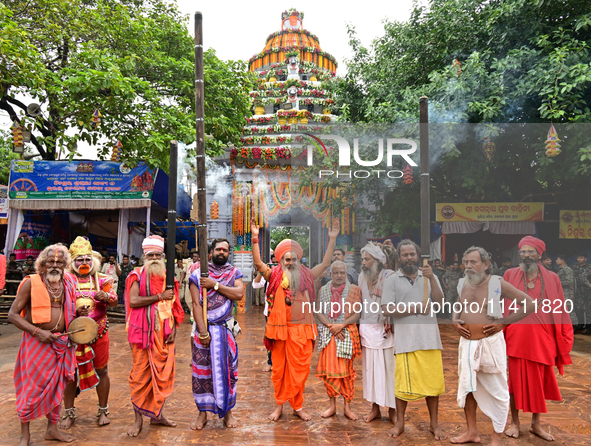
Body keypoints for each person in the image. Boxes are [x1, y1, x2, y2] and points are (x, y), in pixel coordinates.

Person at [251, 217, 340, 421]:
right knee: (279, 371)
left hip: (302, 331)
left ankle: (298, 406)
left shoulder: (307, 275)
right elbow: (257, 263)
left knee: (300, 371)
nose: (290, 262)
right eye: (287, 259)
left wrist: (332, 239)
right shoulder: (273, 275)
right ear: (281, 261)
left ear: (299, 261)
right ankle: (279, 406)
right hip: (280, 331)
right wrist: (255, 239)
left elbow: (326, 263)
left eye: (293, 259)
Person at [451, 246, 533, 446]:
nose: (469, 266)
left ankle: (497, 437)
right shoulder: (463, 282)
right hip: (467, 344)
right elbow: (458, 305)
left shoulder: (497, 283)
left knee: (497, 390)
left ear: (486, 264)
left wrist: (503, 322)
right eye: (467, 262)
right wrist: (455, 319)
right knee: (468, 388)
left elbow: (529, 303)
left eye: (474, 262)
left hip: (490, 344)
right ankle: (472, 432)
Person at [503, 236, 574, 441]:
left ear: (539, 254)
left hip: (543, 337)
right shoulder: (509, 274)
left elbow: (560, 307)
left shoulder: (552, 278)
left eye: (530, 251)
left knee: (541, 382)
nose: (526, 255)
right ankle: (514, 423)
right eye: (523, 252)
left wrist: (563, 333)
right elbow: (499, 302)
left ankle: (536, 424)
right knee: (514, 383)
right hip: (516, 335)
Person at [8, 244, 77, 446]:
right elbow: (12, 315)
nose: (55, 265)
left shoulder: (68, 283)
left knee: (56, 386)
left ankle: (52, 429)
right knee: (31, 387)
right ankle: (25, 435)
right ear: (42, 264)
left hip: (61, 343)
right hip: (36, 344)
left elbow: (70, 308)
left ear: (65, 265)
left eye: (59, 262)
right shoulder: (31, 283)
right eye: (50, 261)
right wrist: (38, 332)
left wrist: (79, 315)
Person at [381, 239, 446, 440]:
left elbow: (441, 302)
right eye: (405, 255)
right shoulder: (392, 280)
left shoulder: (428, 276)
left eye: (412, 254)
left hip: (429, 339)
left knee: (432, 383)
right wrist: (415, 308)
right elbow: (386, 309)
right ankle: (400, 422)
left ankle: (434, 424)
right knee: (402, 385)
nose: (409, 258)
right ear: (399, 258)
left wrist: (433, 279)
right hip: (406, 339)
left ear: (418, 256)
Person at [125, 235, 184, 437]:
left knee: (161, 376)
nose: (155, 258)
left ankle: (157, 416)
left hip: (164, 332)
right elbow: (133, 301)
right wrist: (159, 297)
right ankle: (137, 420)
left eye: (158, 254)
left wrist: (174, 328)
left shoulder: (168, 277)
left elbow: (174, 305)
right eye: (151, 255)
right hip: (142, 332)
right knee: (140, 376)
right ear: (144, 256)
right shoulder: (136, 275)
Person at [60, 237, 118, 428]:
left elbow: (115, 300)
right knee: (70, 374)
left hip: (99, 334)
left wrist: (107, 296)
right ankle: (68, 413)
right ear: (72, 262)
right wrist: (74, 312)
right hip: (73, 336)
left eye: (87, 259)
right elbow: (57, 305)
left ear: (92, 260)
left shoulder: (102, 279)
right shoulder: (66, 280)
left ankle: (103, 410)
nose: (84, 263)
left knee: (102, 370)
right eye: (79, 260)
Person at [189, 238, 244, 430]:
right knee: (201, 373)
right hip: (204, 330)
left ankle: (228, 414)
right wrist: (203, 331)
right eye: (218, 249)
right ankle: (202, 414)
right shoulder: (197, 275)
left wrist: (215, 285)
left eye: (226, 250)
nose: (222, 252)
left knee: (228, 371)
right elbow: (196, 304)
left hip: (225, 331)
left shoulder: (233, 273)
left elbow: (238, 294)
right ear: (211, 252)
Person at [315, 261, 362, 420]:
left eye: (342, 272)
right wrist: (332, 327)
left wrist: (341, 326)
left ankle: (347, 407)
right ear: (330, 273)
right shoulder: (323, 290)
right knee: (330, 373)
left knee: (347, 373)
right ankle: (332, 406)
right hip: (330, 335)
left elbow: (357, 314)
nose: (339, 275)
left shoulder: (354, 290)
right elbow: (319, 312)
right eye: (336, 273)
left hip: (347, 333)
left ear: (346, 272)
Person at [357, 243, 396, 424]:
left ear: (378, 261)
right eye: (362, 259)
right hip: (367, 330)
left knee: (390, 371)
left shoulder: (389, 277)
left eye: (367, 259)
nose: (363, 262)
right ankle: (375, 409)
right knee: (371, 371)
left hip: (386, 331)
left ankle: (393, 410)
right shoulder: (361, 277)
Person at [253, 272, 272, 371]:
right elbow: (255, 284)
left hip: (286, 312)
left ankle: (282, 363)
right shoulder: (270, 272)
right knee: (270, 338)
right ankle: (270, 362)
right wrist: (261, 271)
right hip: (269, 312)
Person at [556, 254, 578, 329]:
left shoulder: (567, 270)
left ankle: (573, 327)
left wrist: (557, 282)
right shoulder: (561, 270)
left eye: (557, 259)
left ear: (562, 261)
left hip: (567, 294)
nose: (556, 261)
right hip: (562, 294)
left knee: (569, 310)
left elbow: (569, 282)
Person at [572, 252, 591, 334]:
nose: (579, 259)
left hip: (588, 292)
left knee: (589, 310)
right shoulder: (574, 267)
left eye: (581, 258)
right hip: (579, 292)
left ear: (585, 259)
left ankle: (588, 327)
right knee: (578, 308)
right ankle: (580, 324)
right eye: (578, 258)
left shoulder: (589, 267)